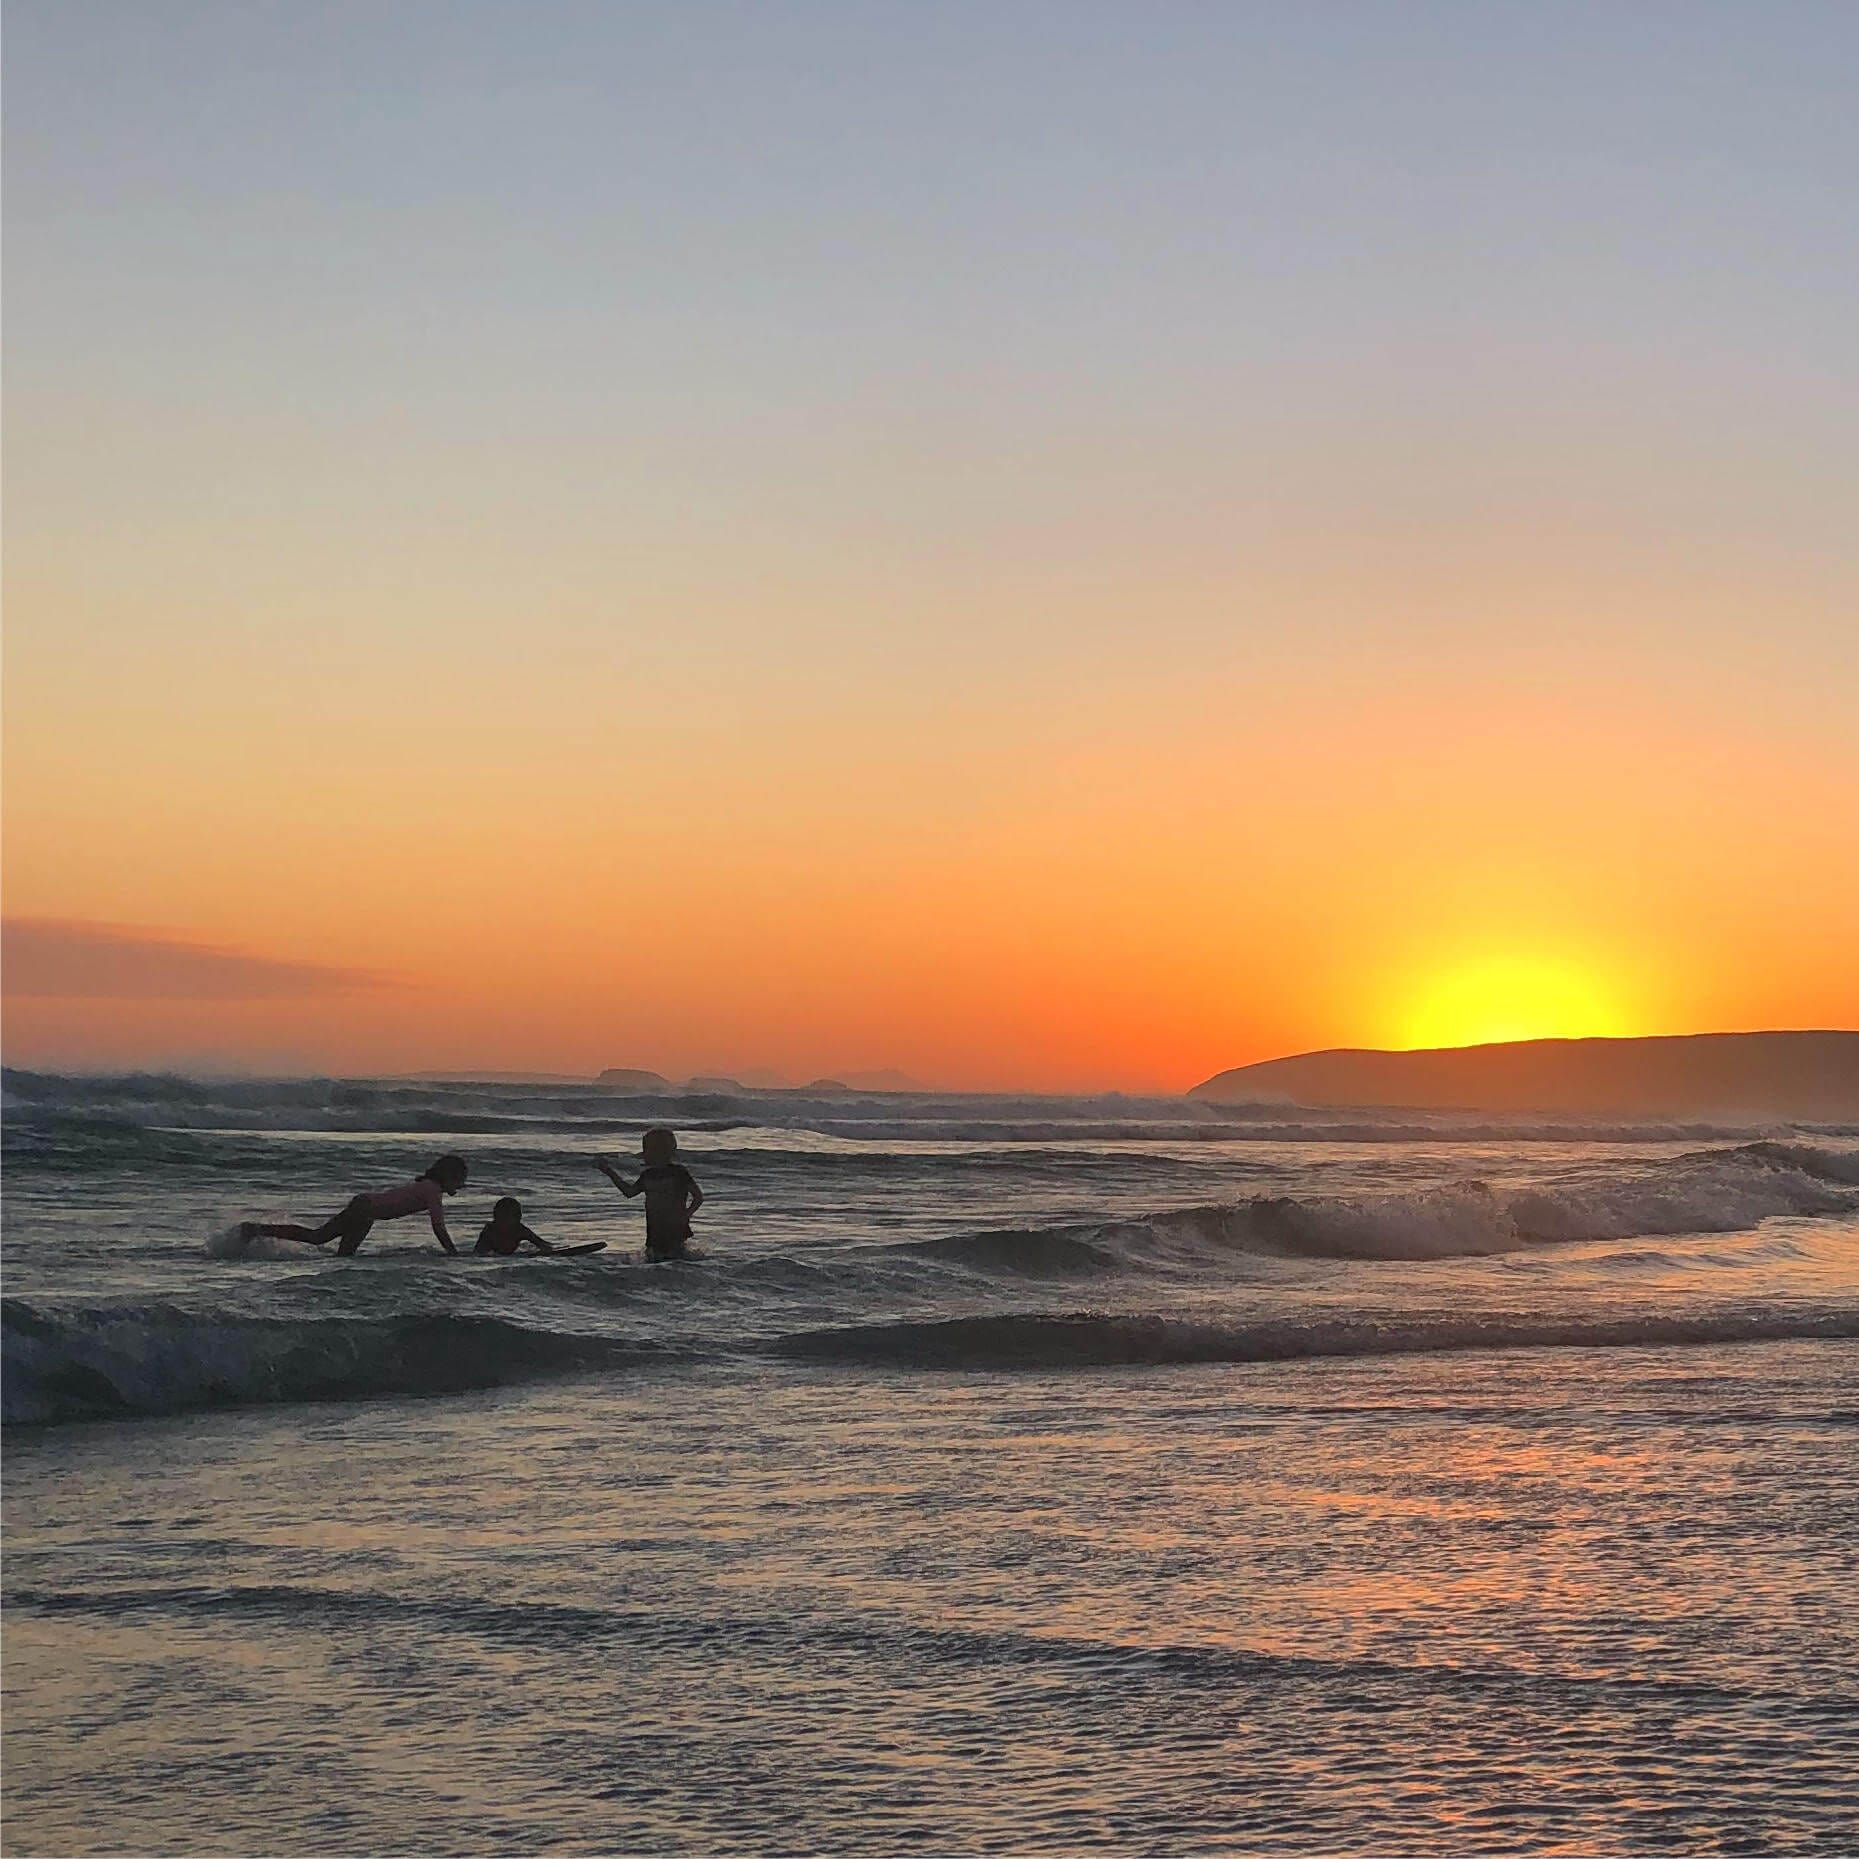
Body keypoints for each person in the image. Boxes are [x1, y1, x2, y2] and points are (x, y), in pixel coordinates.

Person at [239, 1156, 467, 1256]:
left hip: (367, 1212)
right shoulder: (432, 1191)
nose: (462, 1185)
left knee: (344, 1255)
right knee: (318, 1237)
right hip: (364, 1208)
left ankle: (257, 1230)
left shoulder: (430, 1189)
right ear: (448, 1176)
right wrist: (453, 1254)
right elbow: (438, 1227)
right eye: (459, 1180)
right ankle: (256, 1229)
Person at [597, 1129, 704, 1261]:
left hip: (675, 1225)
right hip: (654, 1225)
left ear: (659, 1152)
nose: (643, 1154)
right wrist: (609, 1172)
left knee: (675, 1258)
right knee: (655, 1258)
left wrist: (686, 1215)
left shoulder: (679, 1173)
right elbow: (629, 1192)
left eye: (646, 1150)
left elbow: (698, 1197)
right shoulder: (648, 1175)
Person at [474, 1196, 561, 1256]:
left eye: (518, 1215)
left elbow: (542, 1244)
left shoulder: (519, 1230)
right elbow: (478, 1254)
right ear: (496, 1217)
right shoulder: (490, 1231)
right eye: (502, 1217)